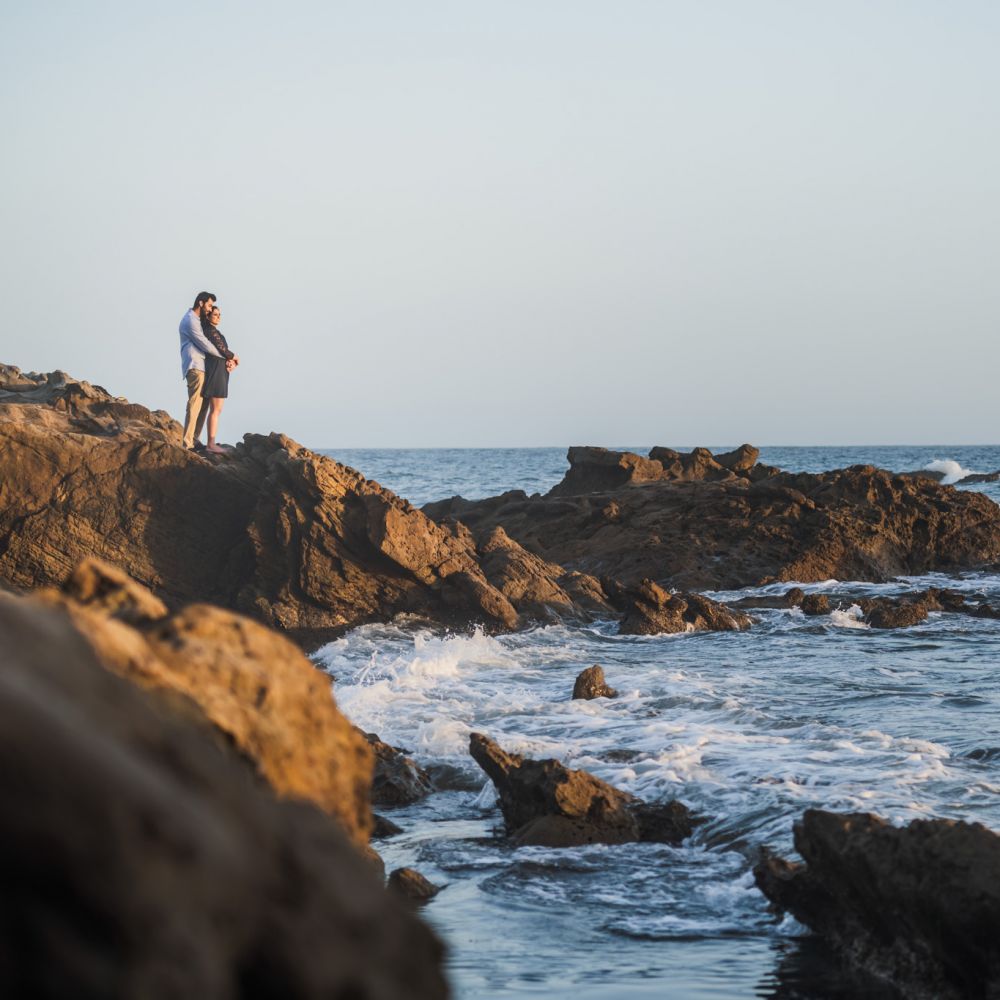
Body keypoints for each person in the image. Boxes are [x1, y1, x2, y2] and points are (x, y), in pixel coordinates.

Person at [178, 291, 224, 450]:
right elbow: (204, 343)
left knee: (203, 405)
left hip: (201, 367)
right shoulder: (190, 320)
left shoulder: (196, 320)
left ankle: (195, 439)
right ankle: (187, 442)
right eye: (209, 305)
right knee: (195, 404)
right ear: (201, 303)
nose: (210, 309)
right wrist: (226, 356)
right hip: (195, 366)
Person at [200, 305, 239, 454]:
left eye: (220, 314)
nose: (218, 317)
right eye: (215, 314)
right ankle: (211, 444)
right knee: (215, 409)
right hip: (215, 371)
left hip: (220, 370)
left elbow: (222, 351)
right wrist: (234, 357)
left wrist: (230, 361)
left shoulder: (216, 331)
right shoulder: (209, 330)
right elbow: (221, 349)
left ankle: (211, 442)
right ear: (208, 316)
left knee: (217, 409)